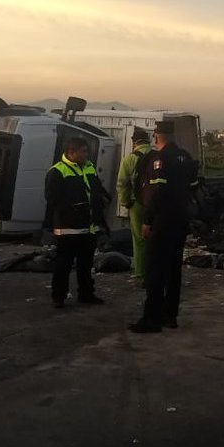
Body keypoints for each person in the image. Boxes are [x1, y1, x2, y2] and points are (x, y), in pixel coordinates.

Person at [128, 120, 198, 333]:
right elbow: (193, 187)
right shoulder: (185, 157)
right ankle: (170, 315)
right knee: (173, 269)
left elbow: (155, 194)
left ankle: (151, 318)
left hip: (162, 220)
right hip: (180, 219)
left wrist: (147, 221)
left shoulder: (159, 159)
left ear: (157, 136)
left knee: (155, 269)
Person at [44, 138, 107, 308]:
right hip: (67, 228)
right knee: (63, 264)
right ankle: (59, 296)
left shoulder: (89, 167)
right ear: (71, 152)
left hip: (88, 227)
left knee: (86, 264)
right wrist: (73, 206)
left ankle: (86, 293)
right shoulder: (57, 171)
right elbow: (51, 198)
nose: (86, 155)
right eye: (83, 152)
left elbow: (96, 188)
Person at [116, 127, 153, 283]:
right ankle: (154, 271)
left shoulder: (129, 159)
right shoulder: (157, 156)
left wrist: (126, 202)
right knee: (154, 237)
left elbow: (121, 183)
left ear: (134, 142)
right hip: (155, 204)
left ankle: (141, 272)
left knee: (139, 239)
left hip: (137, 204)